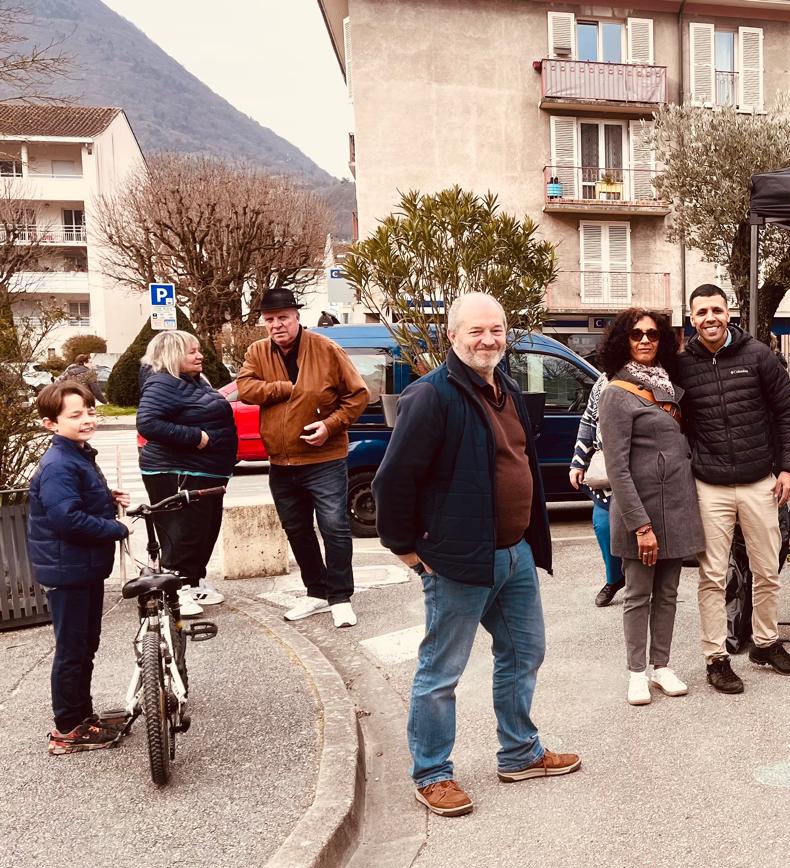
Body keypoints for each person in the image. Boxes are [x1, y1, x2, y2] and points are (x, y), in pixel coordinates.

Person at [374, 292, 577, 818]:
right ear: (452, 335)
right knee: (441, 672)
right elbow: (393, 481)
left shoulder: (504, 386)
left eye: (497, 330)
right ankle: (433, 774)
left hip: (514, 555)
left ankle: (519, 753)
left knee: (524, 653)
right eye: (476, 332)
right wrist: (406, 551)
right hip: (460, 560)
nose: (488, 340)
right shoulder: (432, 396)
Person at [677, 284, 790, 693]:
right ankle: (716, 659)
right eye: (701, 312)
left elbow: (787, 412)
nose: (710, 318)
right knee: (712, 576)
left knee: (767, 570)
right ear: (691, 318)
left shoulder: (758, 356)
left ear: (728, 311)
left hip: (759, 481)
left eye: (716, 309)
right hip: (709, 484)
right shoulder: (681, 365)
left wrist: (788, 468)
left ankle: (766, 643)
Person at [236, 287, 369, 628]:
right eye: (270, 319)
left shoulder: (326, 348)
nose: (276, 325)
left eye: (283, 317)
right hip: (281, 461)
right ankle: (317, 592)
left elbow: (358, 395)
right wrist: (281, 388)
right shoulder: (257, 351)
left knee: (335, 528)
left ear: (297, 317)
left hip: (324, 458)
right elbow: (246, 387)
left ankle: (340, 596)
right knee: (297, 530)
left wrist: (329, 425)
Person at [597, 308, 704, 706]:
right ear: (623, 340)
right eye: (636, 334)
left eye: (653, 334)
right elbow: (617, 467)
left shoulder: (669, 388)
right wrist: (640, 525)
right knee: (638, 594)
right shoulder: (615, 393)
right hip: (638, 510)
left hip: (676, 507)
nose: (645, 340)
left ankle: (662, 666)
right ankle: (636, 673)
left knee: (669, 593)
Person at [26, 382, 131, 755]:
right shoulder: (59, 463)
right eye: (75, 415)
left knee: (85, 645)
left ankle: (83, 716)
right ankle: (68, 728)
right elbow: (67, 518)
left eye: (89, 411)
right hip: (67, 570)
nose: (87, 419)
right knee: (73, 649)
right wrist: (115, 527)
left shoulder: (77, 455)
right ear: (50, 424)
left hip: (81, 567)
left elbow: (76, 502)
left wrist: (106, 499)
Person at [136, 331, 238, 617]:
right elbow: (148, 423)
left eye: (198, 350)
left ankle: (191, 582)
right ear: (172, 356)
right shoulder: (162, 383)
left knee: (203, 531)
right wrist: (197, 437)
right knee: (183, 532)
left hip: (201, 470)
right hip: (176, 470)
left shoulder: (190, 381)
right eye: (192, 352)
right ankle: (175, 588)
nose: (199, 355)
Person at [569, 380, 624, 607]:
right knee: (603, 525)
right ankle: (615, 578)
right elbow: (588, 421)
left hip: (644, 468)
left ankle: (644, 584)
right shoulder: (603, 380)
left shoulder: (658, 375)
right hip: (606, 468)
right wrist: (578, 462)